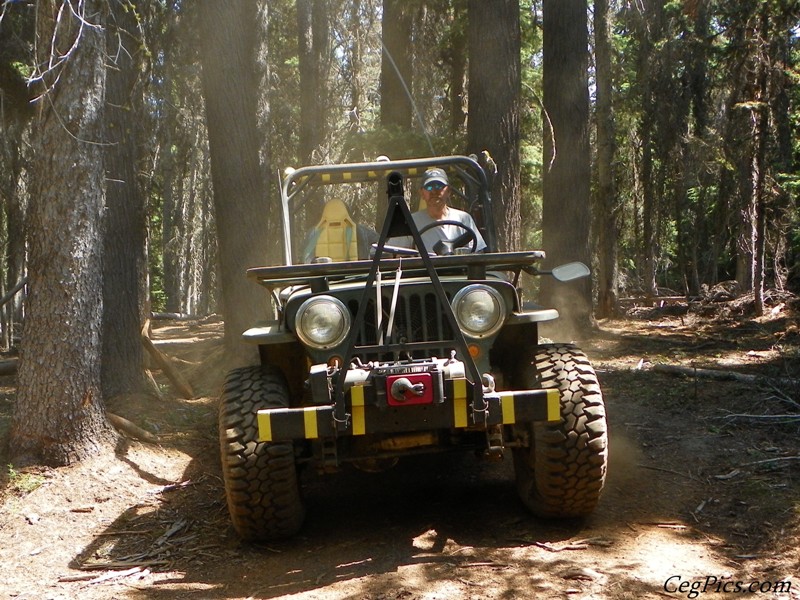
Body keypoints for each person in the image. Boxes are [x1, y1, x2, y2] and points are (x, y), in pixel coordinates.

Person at [391, 168, 487, 254]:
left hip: (460, 272)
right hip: (424, 273)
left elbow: (478, 252)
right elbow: (392, 252)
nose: (434, 191)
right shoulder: (409, 222)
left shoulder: (463, 219)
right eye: (429, 187)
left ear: (448, 191)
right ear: (422, 193)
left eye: (439, 186)